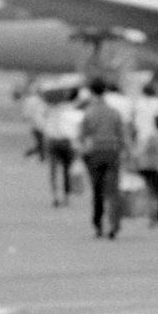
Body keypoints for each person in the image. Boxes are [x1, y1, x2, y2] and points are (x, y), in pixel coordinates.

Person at [78, 78, 130, 239]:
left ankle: (98, 224)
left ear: (91, 92)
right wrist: (127, 152)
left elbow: (82, 135)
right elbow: (122, 135)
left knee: (97, 190)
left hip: (95, 152)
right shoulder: (114, 112)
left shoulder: (89, 112)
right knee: (113, 190)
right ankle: (114, 224)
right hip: (112, 152)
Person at [43, 93, 81, 207]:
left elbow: (45, 126)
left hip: (53, 141)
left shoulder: (49, 110)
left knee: (54, 171)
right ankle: (66, 196)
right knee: (66, 170)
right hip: (66, 142)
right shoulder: (68, 109)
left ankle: (55, 195)